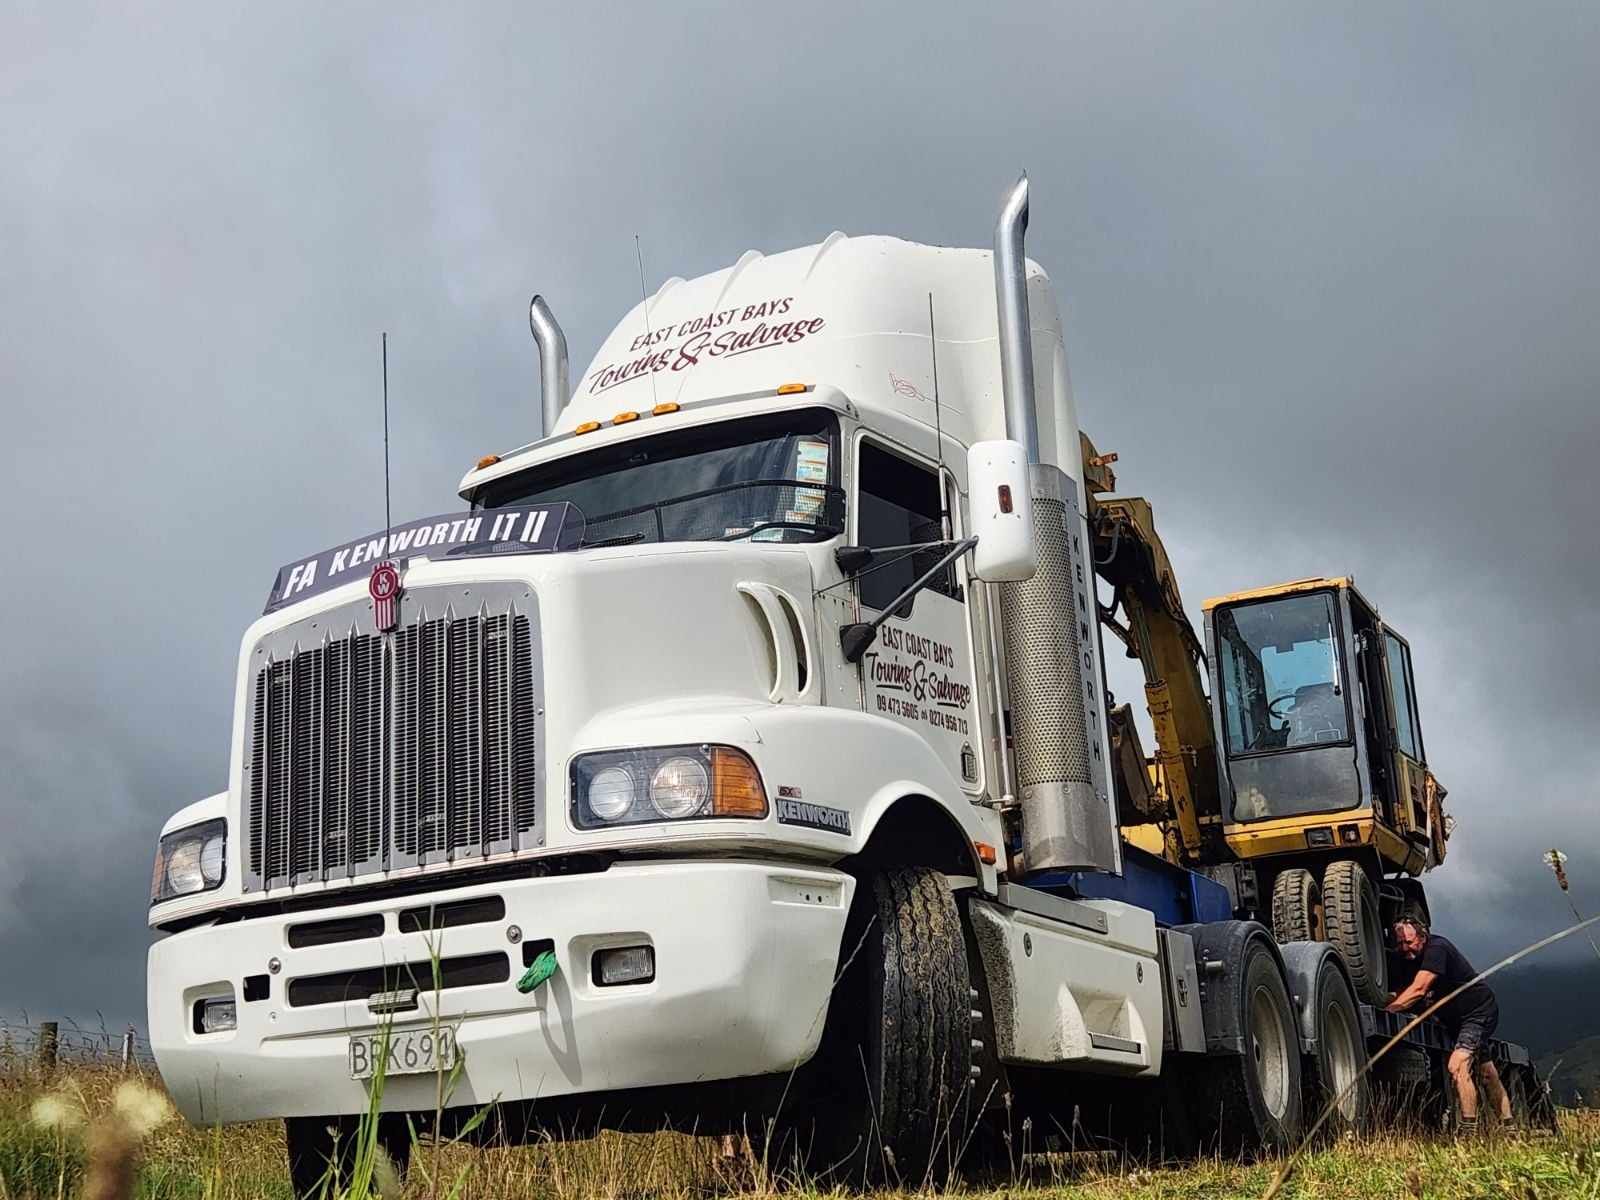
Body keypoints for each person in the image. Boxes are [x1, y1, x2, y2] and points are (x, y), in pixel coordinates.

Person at [1385, 916, 1511, 1132]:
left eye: (1409, 942)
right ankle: (1509, 1127)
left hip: (1476, 1012)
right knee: (1487, 1072)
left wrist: (1389, 1011)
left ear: (1423, 937)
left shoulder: (1438, 948)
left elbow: (1418, 989)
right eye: (1400, 943)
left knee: (1457, 1065)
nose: (1405, 948)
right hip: (1453, 1020)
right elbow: (1398, 991)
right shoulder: (1402, 959)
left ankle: (1468, 1132)